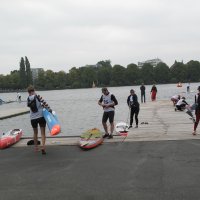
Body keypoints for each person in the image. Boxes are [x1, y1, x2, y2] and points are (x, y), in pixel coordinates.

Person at [27, 86, 47, 154]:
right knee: (43, 133)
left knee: (35, 133)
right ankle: (43, 147)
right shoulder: (37, 96)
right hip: (41, 116)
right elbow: (45, 104)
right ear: (33, 91)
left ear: (28, 92)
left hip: (32, 118)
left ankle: (36, 148)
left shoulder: (28, 99)